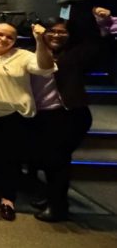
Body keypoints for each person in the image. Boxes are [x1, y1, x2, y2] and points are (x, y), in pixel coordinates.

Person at [0, 22, 55, 221]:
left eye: (9, 37)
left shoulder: (23, 56)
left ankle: (8, 199)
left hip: (15, 116)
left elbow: (46, 67)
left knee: (10, 160)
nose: (3, 39)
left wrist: (40, 42)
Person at [27, 16, 98, 222]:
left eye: (62, 32)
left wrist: (101, 23)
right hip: (43, 115)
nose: (57, 35)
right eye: (52, 31)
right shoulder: (32, 54)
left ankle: (58, 207)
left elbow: (97, 45)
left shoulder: (75, 55)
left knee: (58, 162)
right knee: (48, 161)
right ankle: (52, 198)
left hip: (69, 115)